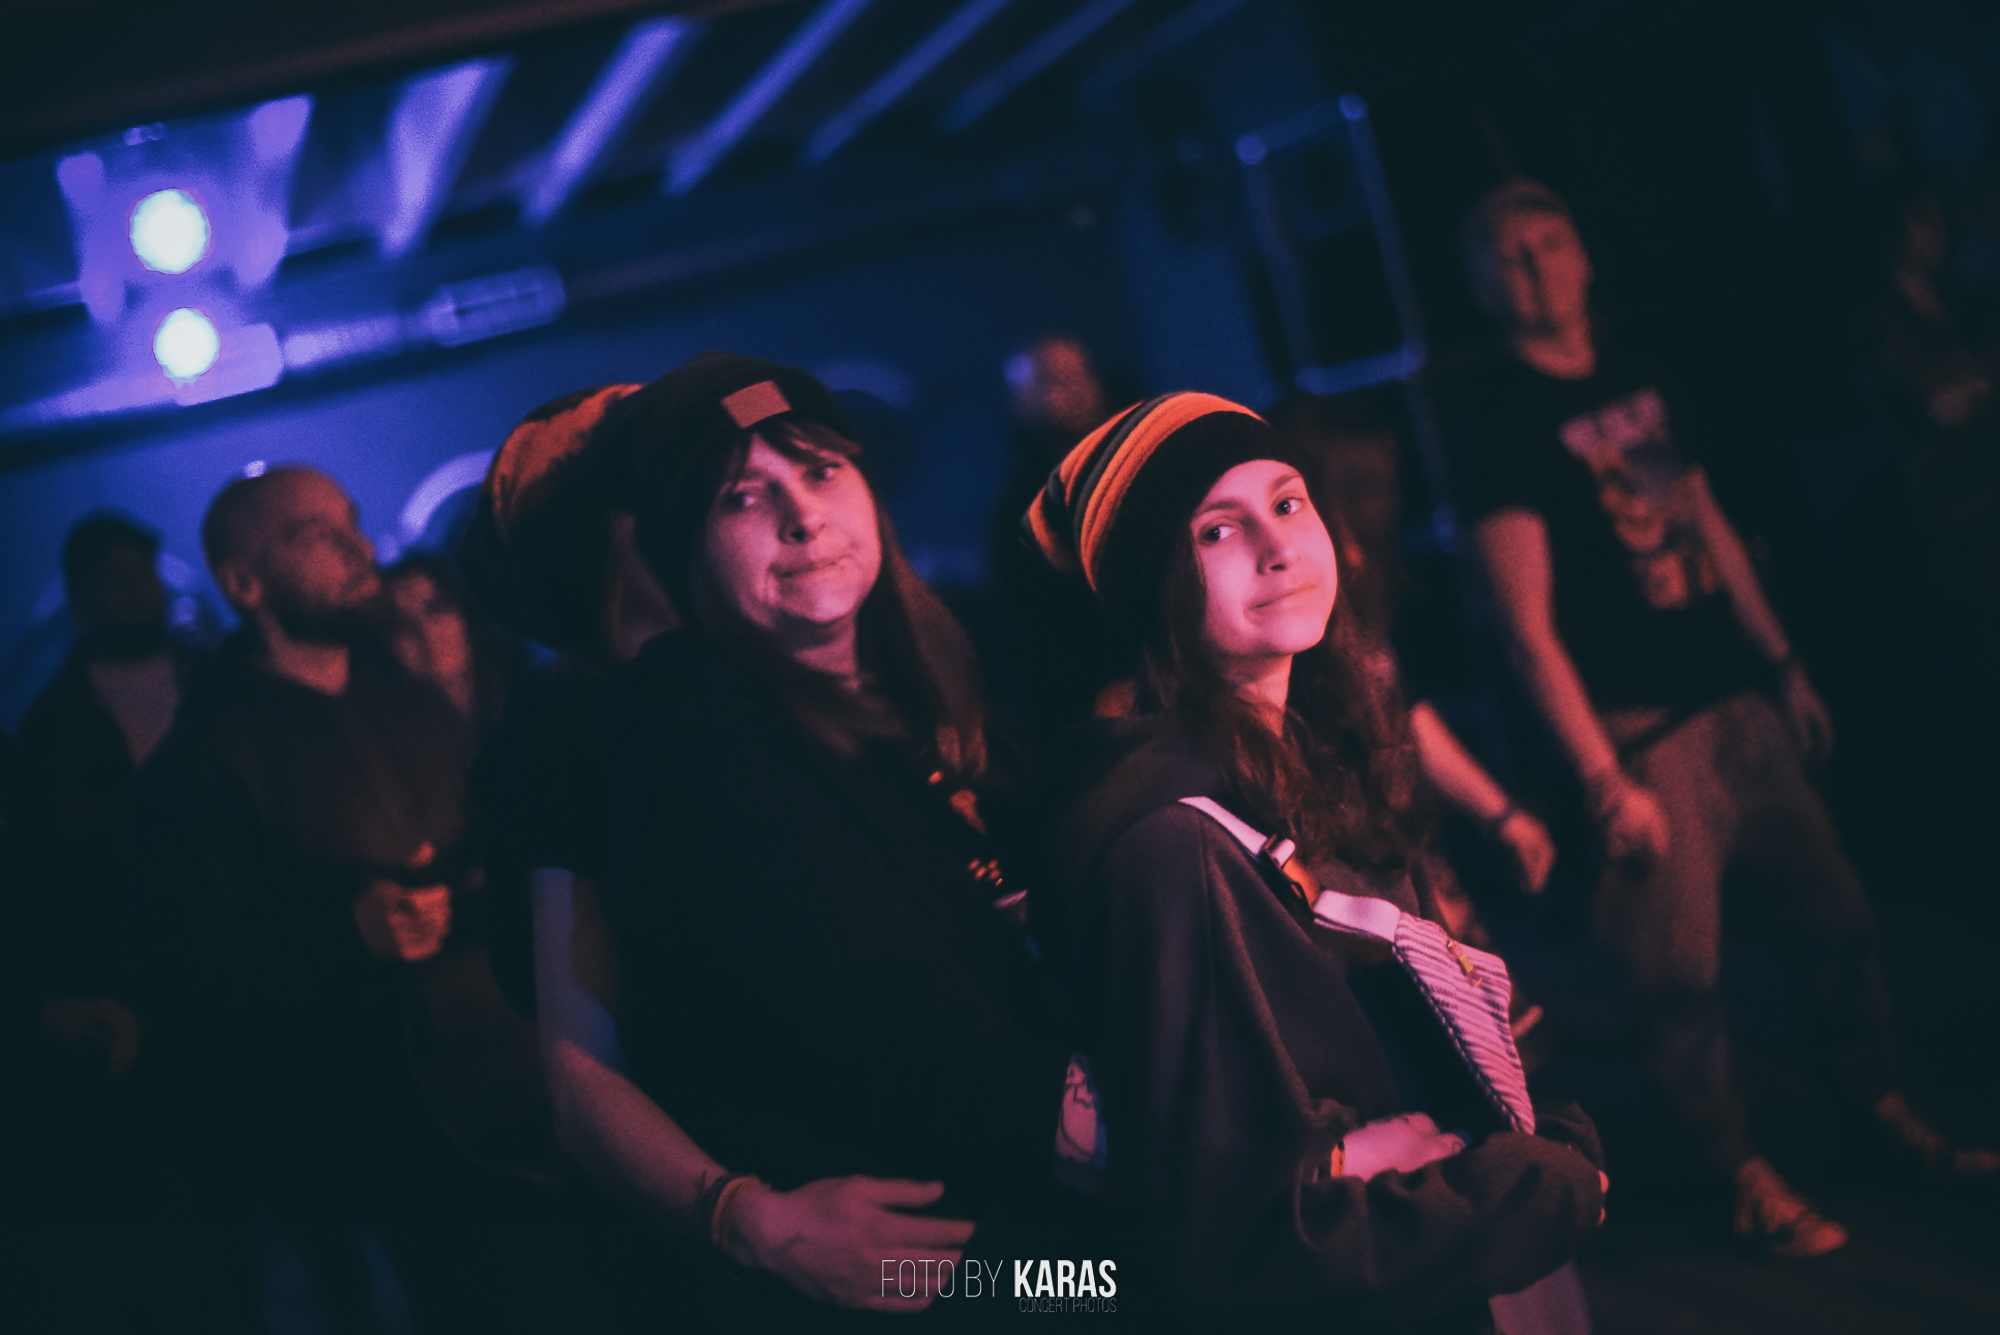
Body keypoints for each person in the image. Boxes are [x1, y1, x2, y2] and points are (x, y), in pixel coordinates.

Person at [1442, 179, 1997, 1258]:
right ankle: (1734, 1169)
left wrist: (1778, 665)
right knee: (1678, 980)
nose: (1537, 266)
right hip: (1643, 732)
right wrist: (1603, 777)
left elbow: (1706, 523)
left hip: (1734, 702)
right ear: (1480, 285)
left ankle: (1878, 1111)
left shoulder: (1637, 381)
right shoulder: (1501, 431)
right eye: (1509, 254)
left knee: (1836, 922)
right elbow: (1524, 630)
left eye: (1551, 242)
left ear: (1583, 255)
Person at [490, 355, 1089, 1324]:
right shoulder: (612, 735)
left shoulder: (853, 670)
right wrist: (749, 1220)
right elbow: (584, 1076)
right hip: (890, 1249)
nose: (795, 511)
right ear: (627, 528)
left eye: (814, 467)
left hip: (1003, 1208)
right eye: (723, 487)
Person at [1031, 392, 1606, 1330]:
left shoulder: (1319, 753)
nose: (1277, 545)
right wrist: (1522, 1189)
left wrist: (1527, 1148)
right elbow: (1241, 1235)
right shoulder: (1173, 844)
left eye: (1288, 502)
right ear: (1153, 582)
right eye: (1218, 529)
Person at [125, 465, 557, 1332]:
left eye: (352, 521)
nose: (359, 547)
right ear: (245, 583)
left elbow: (491, 842)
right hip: (391, 1128)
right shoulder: (203, 762)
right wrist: (344, 933)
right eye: (317, 534)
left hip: (523, 1083)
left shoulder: (409, 696)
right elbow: (192, 976)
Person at [383, 552, 517, 732]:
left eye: (434, 608)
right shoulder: (404, 739)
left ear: (464, 611)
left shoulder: (536, 691)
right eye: (404, 624)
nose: (424, 631)